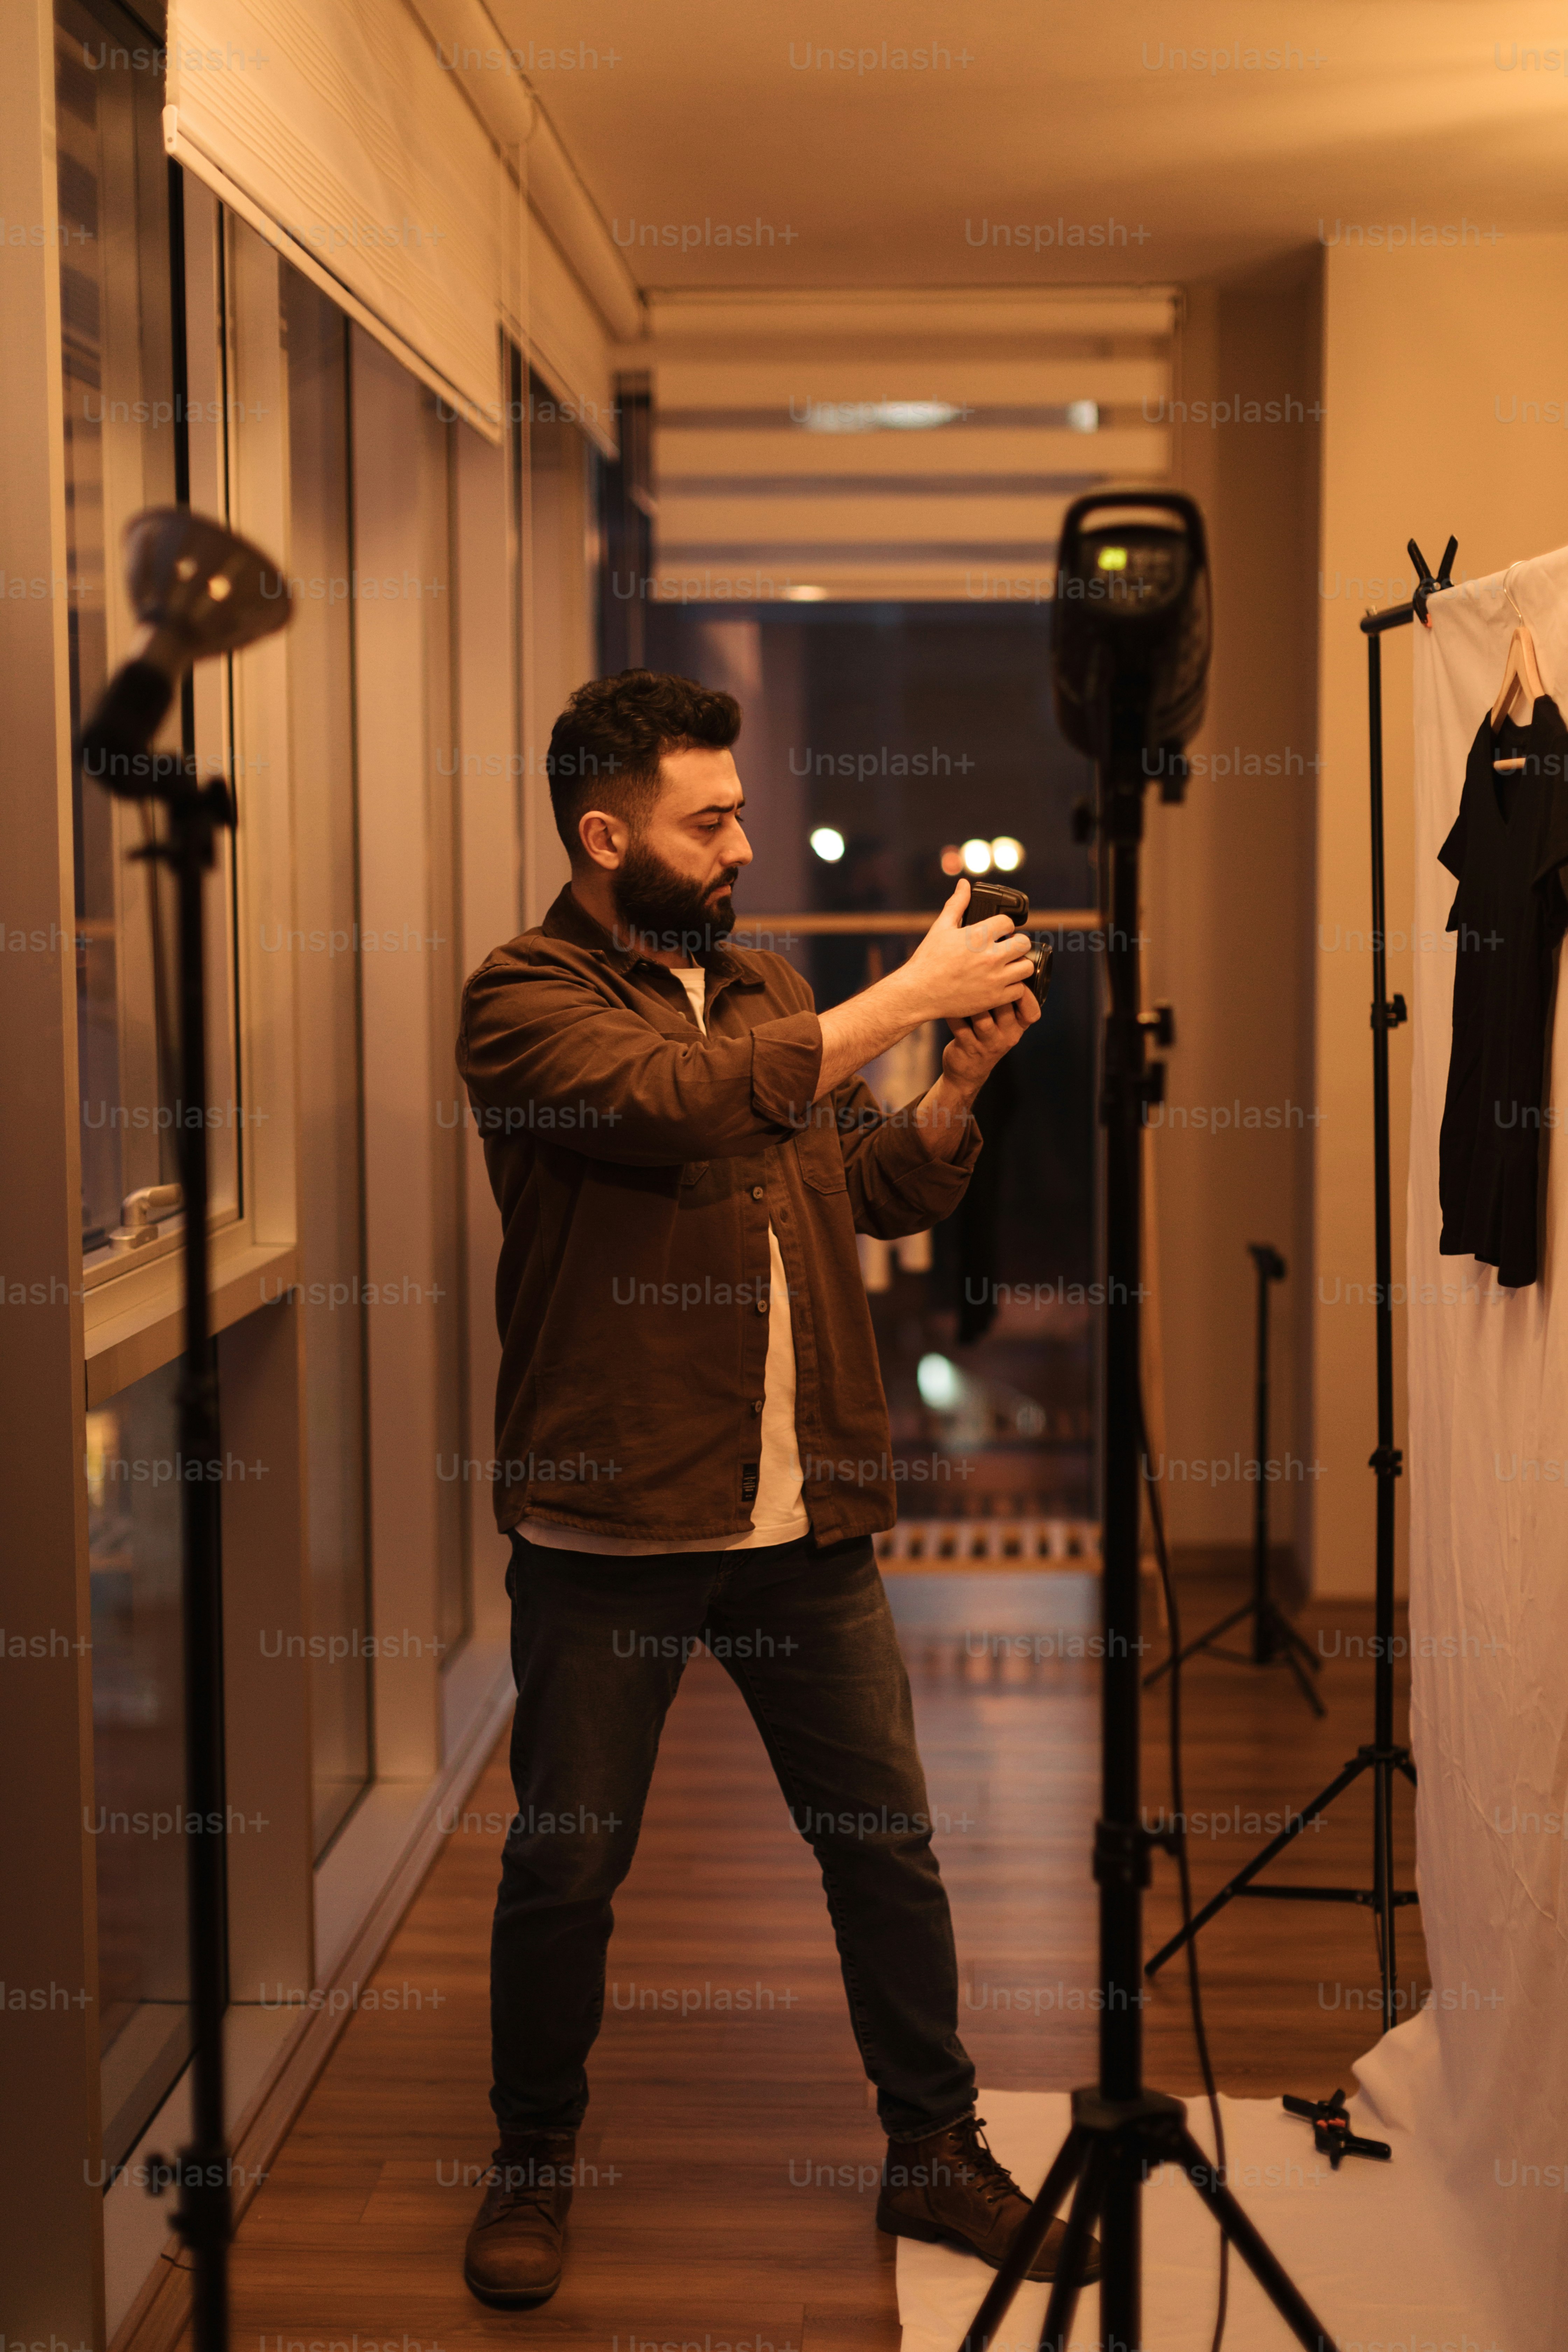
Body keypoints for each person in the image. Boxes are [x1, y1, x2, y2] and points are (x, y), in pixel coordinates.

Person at [454, 668, 1095, 2306]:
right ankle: (531, 2159)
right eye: (710, 817)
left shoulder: (762, 988)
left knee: (885, 1845)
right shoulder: (522, 1000)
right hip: (611, 1528)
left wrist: (949, 1085)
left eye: (740, 811)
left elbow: (860, 1187)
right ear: (606, 837)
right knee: (564, 1865)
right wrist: (889, 1004)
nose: (743, 840)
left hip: (800, 1522)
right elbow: (676, 1108)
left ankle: (931, 2152)